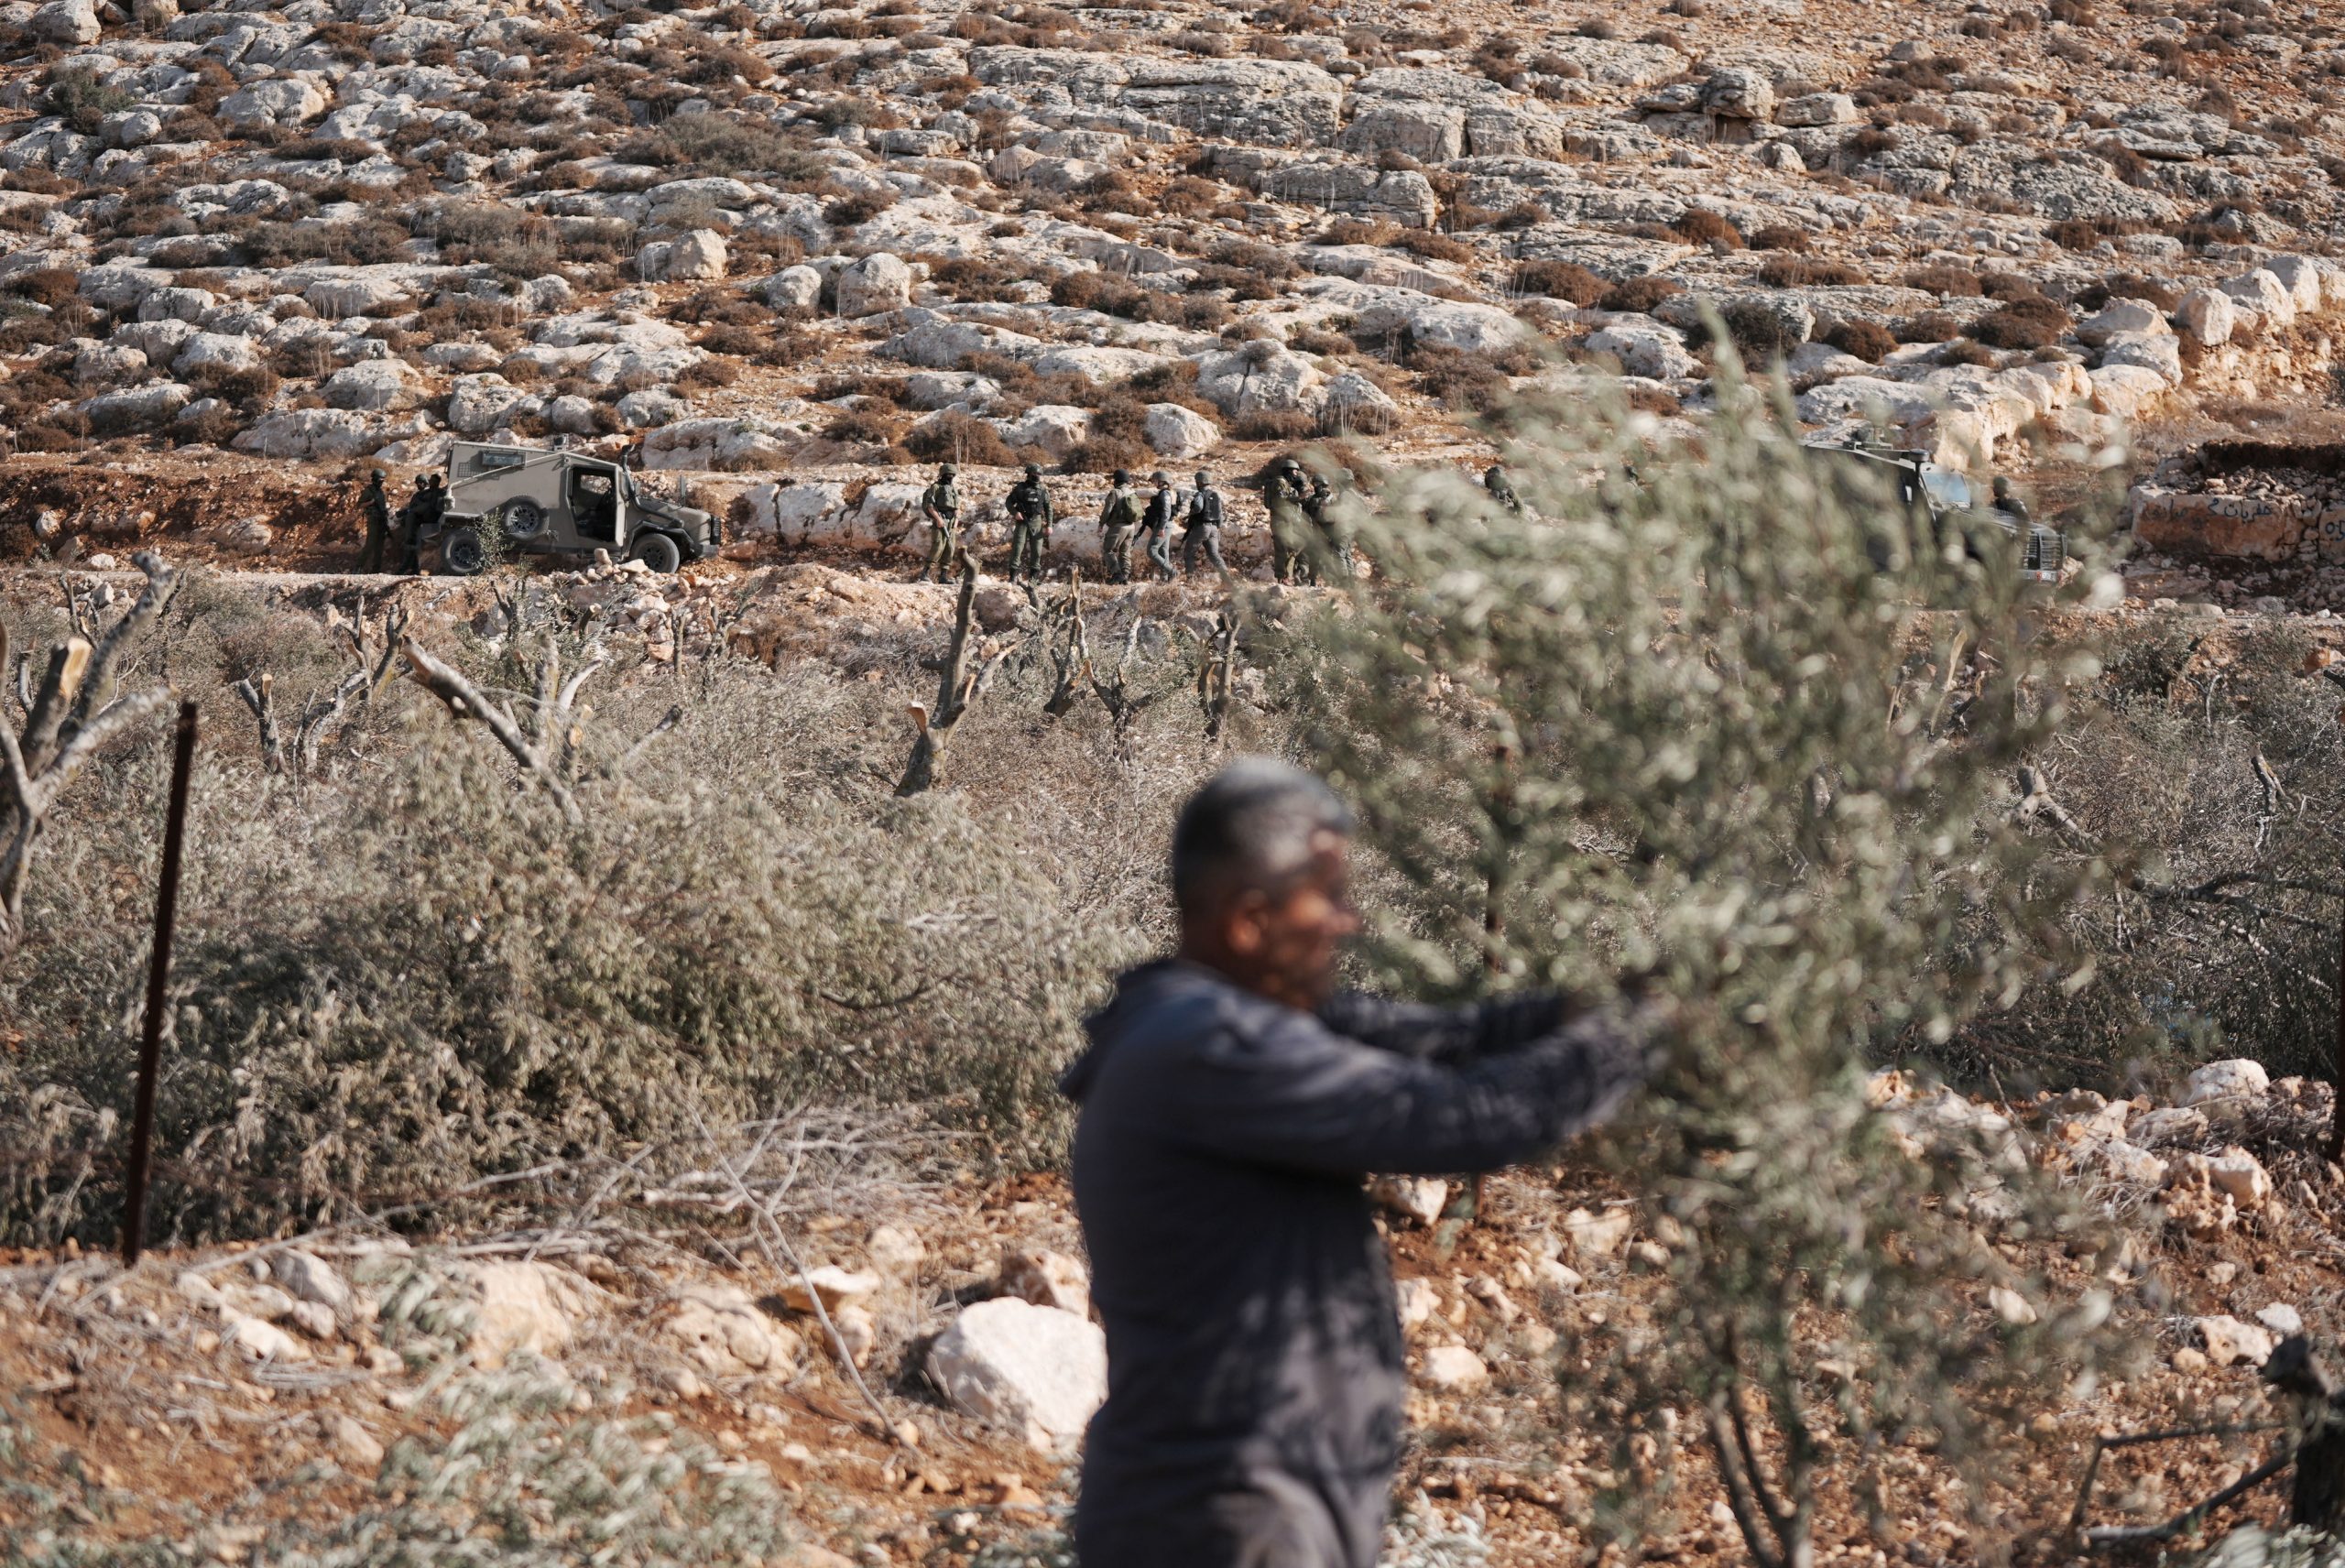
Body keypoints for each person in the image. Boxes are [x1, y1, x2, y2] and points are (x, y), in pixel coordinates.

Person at [1064, 759, 1658, 1568]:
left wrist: (1603, 1006)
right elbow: (1465, 1116)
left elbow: (1457, 1040)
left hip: (1250, 1506)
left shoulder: (1211, 1021)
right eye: (1329, 896)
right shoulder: (1210, 1046)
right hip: (1224, 1521)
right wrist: (1649, 1028)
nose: (1349, 921)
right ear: (1250, 922)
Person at [1263, 456, 1312, 585]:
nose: (1296, 474)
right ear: (1289, 470)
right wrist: (1299, 497)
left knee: (1289, 548)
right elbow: (1280, 500)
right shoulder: (1280, 482)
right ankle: (1284, 577)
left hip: (1284, 521)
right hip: (1280, 521)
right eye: (1295, 471)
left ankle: (1285, 577)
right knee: (1284, 550)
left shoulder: (1285, 483)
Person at [1006, 463, 1053, 585]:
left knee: (1037, 550)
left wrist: (1049, 525)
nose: (1037, 476)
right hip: (1022, 521)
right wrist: (1015, 513)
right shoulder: (1020, 488)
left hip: (1037, 521)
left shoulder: (1043, 490)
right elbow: (1009, 502)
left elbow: (1048, 508)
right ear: (1029, 474)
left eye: (1038, 474)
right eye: (1034, 473)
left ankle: (1033, 580)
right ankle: (1012, 578)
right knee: (1017, 548)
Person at [1098, 468, 1142, 585]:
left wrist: (1101, 523)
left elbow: (1107, 511)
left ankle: (1117, 574)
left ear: (1116, 480)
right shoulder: (1132, 492)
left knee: (1108, 550)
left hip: (1118, 527)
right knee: (1125, 552)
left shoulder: (1115, 492)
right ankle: (1125, 576)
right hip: (1131, 527)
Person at [918, 463, 962, 583]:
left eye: (952, 475)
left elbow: (957, 507)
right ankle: (925, 573)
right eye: (948, 474)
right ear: (942, 474)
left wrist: (956, 520)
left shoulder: (953, 489)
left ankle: (943, 576)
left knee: (949, 549)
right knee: (938, 546)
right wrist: (938, 519)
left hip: (952, 522)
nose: (950, 477)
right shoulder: (936, 487)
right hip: (940, 520)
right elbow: (930, 506)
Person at [1183, 466, 1227, 578]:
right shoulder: (1215, 495)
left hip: (1202, 527)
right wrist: (1217, 527)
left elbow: (1198, 507)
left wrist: (1191, 513)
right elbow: (1220, 514)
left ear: (1199, 482)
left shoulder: (1200, 494)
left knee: (1189, 553)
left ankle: (1190, 579)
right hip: (1214, 528)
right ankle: (1227, 579)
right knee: (1214, 554)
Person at [1140, 471, 1180, 583]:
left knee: (1151, 551)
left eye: (1155, 481)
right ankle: (1164, 579)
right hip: (1167, 524)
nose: (1154, 483)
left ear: (1162, 481)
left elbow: (1166, 511)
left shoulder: (1164, 493)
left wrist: (1162, 528)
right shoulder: (1170, 492)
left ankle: (1172, 571)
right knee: (1163, 551)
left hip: (1164, 525)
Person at [357, 468, 390, 573]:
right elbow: (359, 505)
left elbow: (383, 507)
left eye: (383, 481)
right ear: (375, 479)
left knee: (380, 546)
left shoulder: (381, 492)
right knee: (370, 544)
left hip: (382, 520)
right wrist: (371, 502)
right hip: (373, 520)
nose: (382, 483)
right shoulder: (368, 490)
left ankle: (376, 570)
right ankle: (358, 567)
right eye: (380, 480)